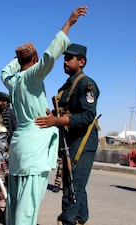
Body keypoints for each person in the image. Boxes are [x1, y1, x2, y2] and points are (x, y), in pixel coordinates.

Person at [1, 6, 87, 225]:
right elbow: (51, 55)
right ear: (35, 59)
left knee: (14, 200)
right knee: (27, 205)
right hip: (34, 146)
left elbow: (4, 72)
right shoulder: (31, 76)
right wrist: (69, 23)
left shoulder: (12, 81)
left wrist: (18, 58)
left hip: (20, 144)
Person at [35, 46, 100, 225]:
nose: (64, 61)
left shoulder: (86, 84)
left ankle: (67, 221)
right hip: (70, 138)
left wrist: (57, 121)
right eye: (65, 58)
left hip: (83, 140)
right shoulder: (68, 84)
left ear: (81, 62)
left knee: (72, 183)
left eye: (69, 58)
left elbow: (88, 116)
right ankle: (79, 218)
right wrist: (53, 117)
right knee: (76, 182)